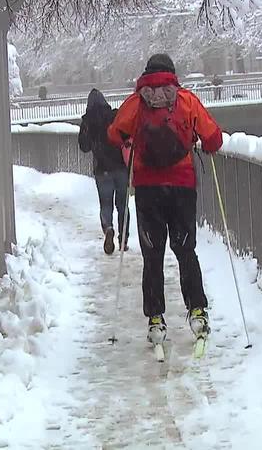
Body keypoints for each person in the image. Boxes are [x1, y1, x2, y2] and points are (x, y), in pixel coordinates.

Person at [107, 53, 223, 343]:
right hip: (182, 184)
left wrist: (130, 141)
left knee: (152, 254)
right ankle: (197, 310)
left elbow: (113, 134)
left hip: (147, 187)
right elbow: (213, 139)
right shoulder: (186, 100)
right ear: (172, 74)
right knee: (186, 250)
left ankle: (156, 319)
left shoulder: (136, 102)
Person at [78, 88, 130, 255]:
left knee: (106, 204)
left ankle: (108, 228)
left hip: (102, 171)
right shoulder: (114, 116)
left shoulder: (87, 121)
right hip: (121, 168)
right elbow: (126, 136)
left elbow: (84, 147)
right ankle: (124, 239)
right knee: (123, 205)